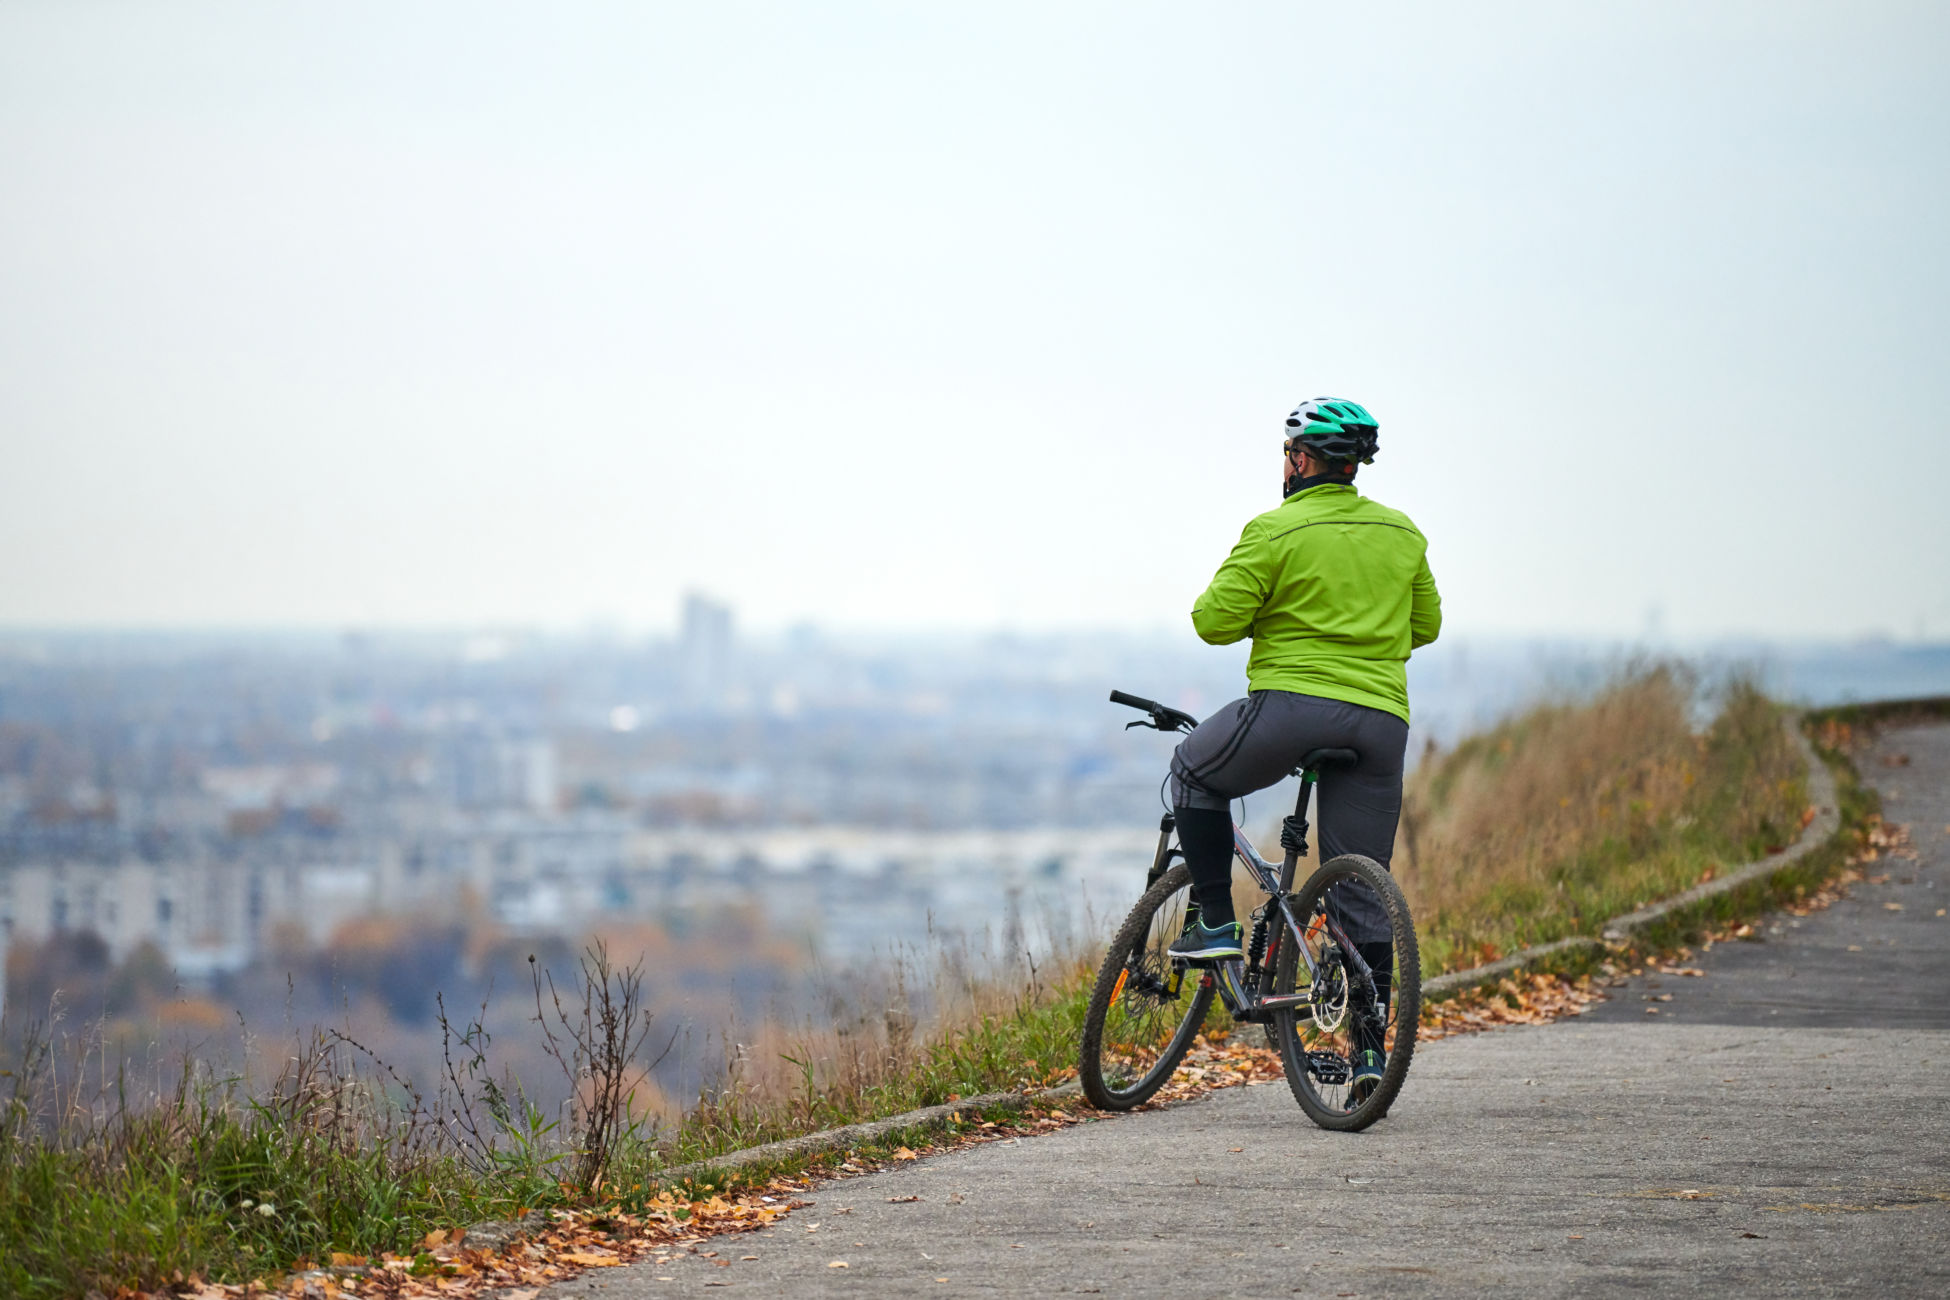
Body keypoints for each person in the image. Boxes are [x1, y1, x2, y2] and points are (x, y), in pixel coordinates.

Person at [1166, 397, 1440, 1095]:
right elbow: (1425, 626)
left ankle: (1215, 924)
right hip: (1381, 722)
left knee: (1194, 770)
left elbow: (1212, 621)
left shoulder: (1275, 529)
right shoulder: (1402, 533)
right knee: (1357, 881)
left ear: (1301, 460)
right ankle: (1371, 1060)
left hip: (1292, 708)